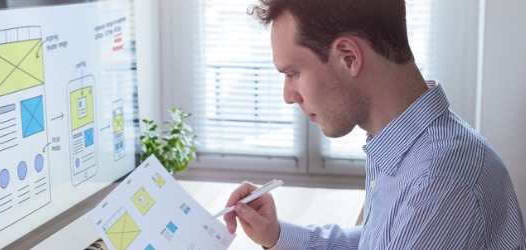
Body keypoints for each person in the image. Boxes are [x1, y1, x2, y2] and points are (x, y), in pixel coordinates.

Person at [223, 0, 526, 249]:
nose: (288, 96)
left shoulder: (439, 183)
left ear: (349, 57)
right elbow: (377, 241)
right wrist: (277, 235)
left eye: (293, 72)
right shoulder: (408, 149)